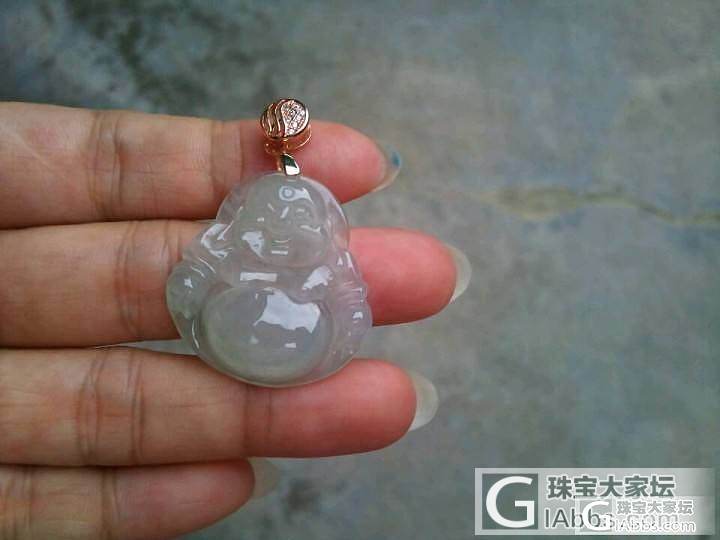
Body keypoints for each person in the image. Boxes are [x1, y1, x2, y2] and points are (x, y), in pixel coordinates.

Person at [0, 102, 465, 539]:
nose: (281, 227)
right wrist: (190, 286)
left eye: (298, 219)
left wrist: (348, 319)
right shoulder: (226, 247)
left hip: (303, 338)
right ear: (245, 220)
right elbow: (194, 273)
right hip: (229, 325)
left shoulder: (328, 264)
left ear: (323, 228)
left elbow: (350, 298)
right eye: (269, 217)